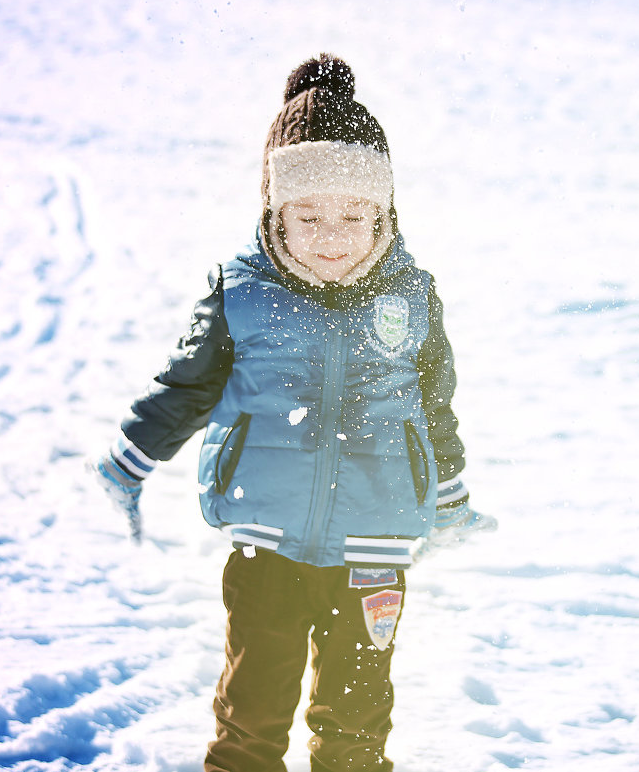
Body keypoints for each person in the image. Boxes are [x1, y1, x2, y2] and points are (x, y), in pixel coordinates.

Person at [88, 53, 495, 772]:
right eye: (308, 215)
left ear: (386, 213)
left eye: (354, 215)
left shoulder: (411, 297)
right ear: (274, 210)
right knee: (253, 710)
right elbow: (186, 387)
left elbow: (435, 406)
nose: (332, 235)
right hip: (265, 539)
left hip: (376, 546)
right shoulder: (242, 293)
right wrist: (130, 459)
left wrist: (453, 497)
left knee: (358, 720)